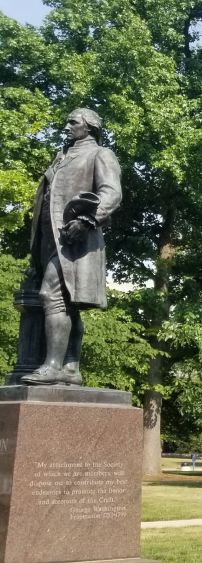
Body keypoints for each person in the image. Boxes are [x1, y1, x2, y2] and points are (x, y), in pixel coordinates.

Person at [23, 107, 122, 386]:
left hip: (76, 241)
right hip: (49, 239)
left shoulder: (100, 154)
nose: (66, 126)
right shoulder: (63, 156)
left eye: (72, 122)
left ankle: (53, 366)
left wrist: (89, 219)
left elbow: (111, 193)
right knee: (68, 303)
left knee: (50, 294)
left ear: (89, 127)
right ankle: (71, 369)